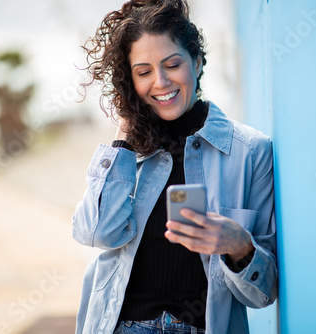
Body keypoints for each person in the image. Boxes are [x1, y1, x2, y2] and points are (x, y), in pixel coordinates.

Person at [72, 0, 277, 333]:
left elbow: (262, 294)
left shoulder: (251, 151)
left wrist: (239, 245)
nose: (161, 81)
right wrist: (124, 134)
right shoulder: (126, 150)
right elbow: (96, 233)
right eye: (143, 72)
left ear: (196, 62)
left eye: (172, 64)